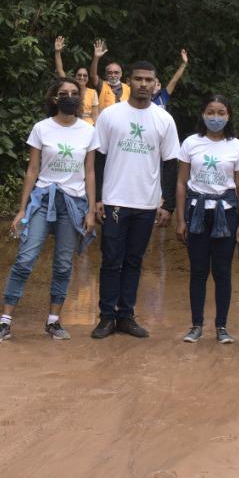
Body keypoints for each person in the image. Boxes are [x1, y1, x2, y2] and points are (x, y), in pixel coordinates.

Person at [0, 78, 98, 342]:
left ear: (80, 98)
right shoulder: (41, 128)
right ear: (53, 98)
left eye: (73, 93)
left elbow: (90, 172)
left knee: (62, 265)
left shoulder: (88, 130)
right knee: (25, 259)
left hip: (73, 203)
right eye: (62, 93)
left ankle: (54, 320)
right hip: (43, 200)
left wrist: (91, 210)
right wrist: (22, 209)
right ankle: (4, 322)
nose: (68, 97)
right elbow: (33, 170)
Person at [91, 61, 181, 339]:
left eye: (149, 80)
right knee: (111, 259)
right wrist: (96, 198)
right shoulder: (110, 115)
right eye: (139, 79)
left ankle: (126, 316)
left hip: (146, 203)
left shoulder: (164, 119)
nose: (144, 84)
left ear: (156, 84)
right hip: (115, 200)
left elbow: (170, 163)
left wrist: (167, 205)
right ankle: (106, 317)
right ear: (129, 81)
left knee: (134, 260)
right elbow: (99, 159)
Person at [175, 93, 239, 343]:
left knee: (222, 271)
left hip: (225, 215)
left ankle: (221, 327)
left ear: (228, 116)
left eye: (220, 113)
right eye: (210, 112)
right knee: (198, 271)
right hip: (196, 213)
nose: (215, 118)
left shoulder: (236, 146)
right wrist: (180, 220)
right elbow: (181, 183)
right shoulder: (190, 143)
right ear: (202, 114)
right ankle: (196, 325)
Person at [53, 36, 98, 124]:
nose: (82, 77)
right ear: (75, 76)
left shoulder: (93, 93)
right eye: (79, 75)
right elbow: (60, 70)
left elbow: (95, 116)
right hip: (71, 123)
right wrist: (57, 52)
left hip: (88, 126)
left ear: (88, 78)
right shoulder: (68, 89)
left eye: (85, 75)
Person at [89, 39, 131, 113]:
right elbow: (93, 75)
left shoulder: (128, 89)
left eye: (116, 72)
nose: (113, 75)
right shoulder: (102, 85)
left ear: (121, 74)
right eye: (110, 73)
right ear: (106, 75)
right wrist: (96, 57)